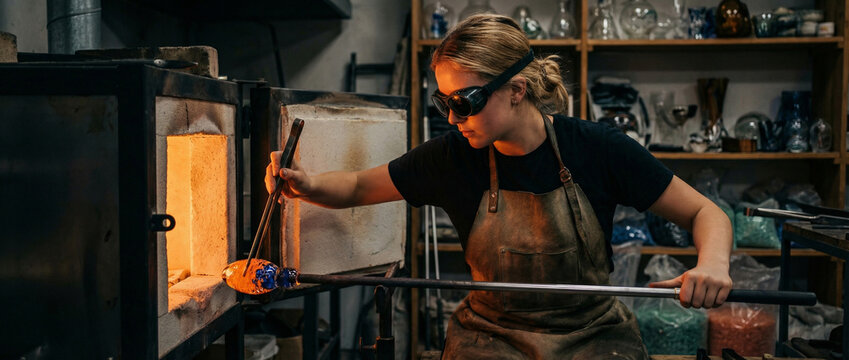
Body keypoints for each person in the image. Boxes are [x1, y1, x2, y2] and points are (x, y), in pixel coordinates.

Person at [266, 14, 733, 360]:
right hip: (491, 337)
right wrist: (302, 184)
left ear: (517, 89)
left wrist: (712, 264)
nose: (452, 118)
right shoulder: (453, 157)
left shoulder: (597, 148)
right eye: (444, 101)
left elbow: (705, 213)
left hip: (592, 334)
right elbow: (354, 187)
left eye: (466, 101)